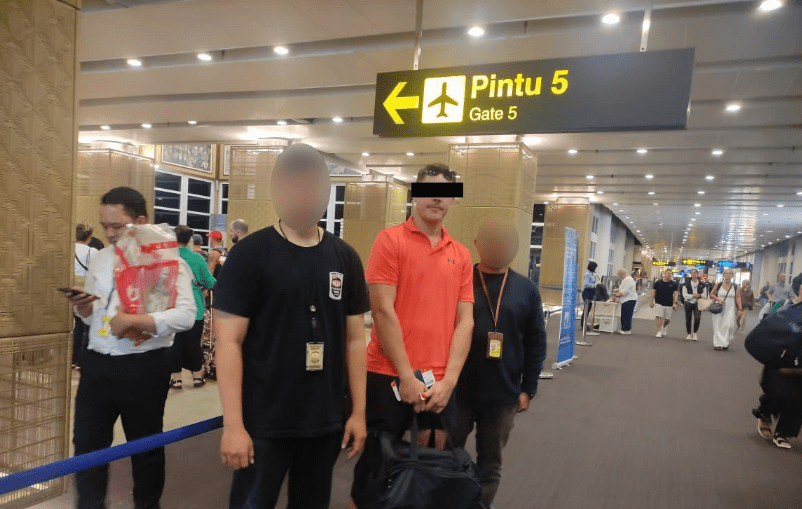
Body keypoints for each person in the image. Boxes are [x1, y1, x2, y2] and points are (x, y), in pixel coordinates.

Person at [213, 144, 370, 509]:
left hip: (324, 419)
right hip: (263, 420)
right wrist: (233, 425)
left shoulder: (345, 256)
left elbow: (355, 341)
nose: (304, 194)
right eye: (294, 185)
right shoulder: (249, 255)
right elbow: (228, 343)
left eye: (312, 185)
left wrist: (358, 413)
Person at [349, 163, 474, 508]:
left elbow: (465, 321)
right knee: (374, 474)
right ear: (415, 195)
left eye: (445, 193)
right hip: (388, 375)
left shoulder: (461, 254)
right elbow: (382, 310)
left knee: (431, 472)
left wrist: (450, 381)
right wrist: (406, 375)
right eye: (429, 190)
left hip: (439, 383)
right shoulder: (390, 241)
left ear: (452, 200)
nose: (437, 198)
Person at [62, 187, 196, 509]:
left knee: (145, 448)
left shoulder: (167, 260)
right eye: (104, 226)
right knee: (87, 446)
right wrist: (83, 308)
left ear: (140, 221)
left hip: (144, 366)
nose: (109, 234)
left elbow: (186, 315)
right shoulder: (101, 258)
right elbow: (93, 315)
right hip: (96, 365)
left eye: (117, 226)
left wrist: (138, 321)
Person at [450, 219, 546, 509]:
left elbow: (536, 344)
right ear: (477, 244)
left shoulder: (527, 290)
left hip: (503, 394)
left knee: (490, 465)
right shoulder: (459, 281)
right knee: (447, 457)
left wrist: (528, 389)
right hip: (457, 390)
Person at [753, 272, 802, 449]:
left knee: (798, 399)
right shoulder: (784, 306)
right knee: (778, 393)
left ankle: (783, 433)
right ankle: (765, 414)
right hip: (780, 360)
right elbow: (766, 327)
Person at [169, 225, 216, 389]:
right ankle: (197, 377)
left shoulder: (167, 258)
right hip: (194, 308)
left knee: (174, 345)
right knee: (194, 344)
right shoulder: (197, 258)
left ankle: (176, 379)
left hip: (172, 308)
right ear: (189, 240)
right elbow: (210, 282)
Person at [73, 223, 99, 369]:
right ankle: (81, 361)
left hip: (70, 289)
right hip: (85, 290)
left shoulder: (69, 249)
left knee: (73, 327)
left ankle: (71, 358)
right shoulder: (92, 252)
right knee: (84, 326)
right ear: (90, 236)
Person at [710, 268, 743, 351]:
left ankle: (725, 342)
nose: (728, 275)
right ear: (723, 275)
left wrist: (740, 308)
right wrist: (718, 299)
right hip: (719, 307)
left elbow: (738, 297)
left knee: (728, 325)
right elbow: (711, 294)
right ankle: (717, 343)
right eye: (726, 273)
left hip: (730, 308)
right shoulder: (718, 284)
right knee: (718, 325)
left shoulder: (736, 286)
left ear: (732, 275)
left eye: (730, 273)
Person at [650, 269, 678, 337]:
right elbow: (653, 292)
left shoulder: (674, 284)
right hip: (659, 302)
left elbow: (675, 294)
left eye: (670, 274)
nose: (669, 275)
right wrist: (651, 301)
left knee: (667, 320)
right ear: (664, 274)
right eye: (668, 273)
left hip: (669, 303)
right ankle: (659, 331)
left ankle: (663, 327)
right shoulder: (658, 283)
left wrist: (675, 303)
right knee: (659, 317)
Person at [681, 269, 708, 341]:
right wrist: (693, 296)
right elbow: (684, 295)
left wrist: (699, 295)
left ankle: (695, 333)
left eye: (695, 273)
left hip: (698, 303)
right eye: (692, 273)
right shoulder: (686, 284)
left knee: (697, 318)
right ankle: (689, 333)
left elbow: (705, 295)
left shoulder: (702, 284)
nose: (693, 274)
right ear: (690, 274)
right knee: (688, 319)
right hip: (688, 303)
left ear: (697, 274)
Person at [613, 268, 638, 335]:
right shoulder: (627, 279)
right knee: (625, 314)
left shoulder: (627, 279)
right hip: (627, 299)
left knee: (627, 315)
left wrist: (616, 295)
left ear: (622, 274)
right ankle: (624, 328)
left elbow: (625, 291)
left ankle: (626, 329)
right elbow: (624, 289)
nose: (619, 277)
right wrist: (618, 290)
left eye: (619, 275)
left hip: (629, 299)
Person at [581, 261, 599, 332]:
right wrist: (595, 285)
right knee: (586, 309)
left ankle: (584, 323)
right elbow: (586, 284)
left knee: (588, 309)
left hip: (590, 292)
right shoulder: (588, 274)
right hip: (587, 292)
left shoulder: (591, 274)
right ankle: (583, 324)